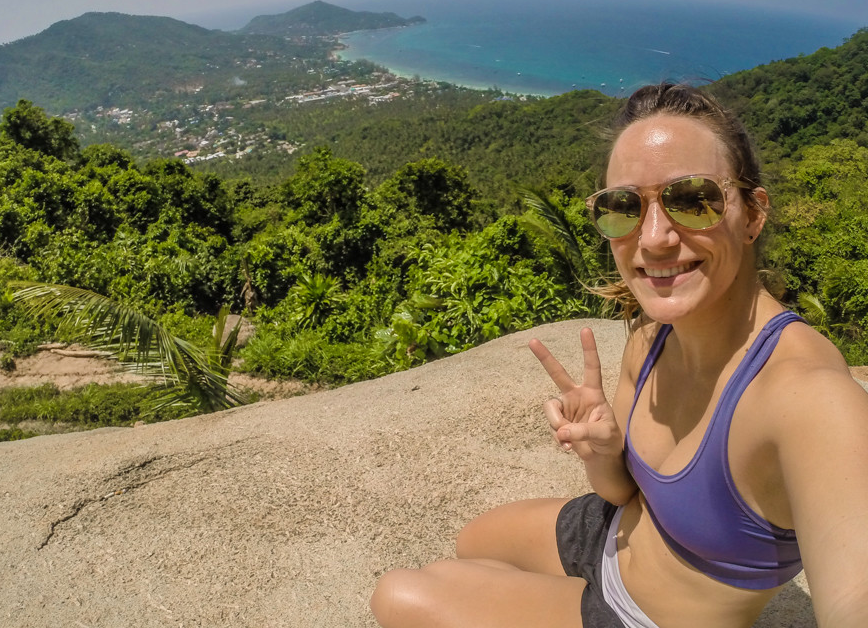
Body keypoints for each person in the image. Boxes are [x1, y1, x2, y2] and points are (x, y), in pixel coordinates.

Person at [369, 83, 868, 628]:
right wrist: (604, 452)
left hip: (642, 614)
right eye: (622, 207)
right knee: (471, 542)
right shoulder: (651, 341)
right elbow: (621, 491)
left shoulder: (810, 398)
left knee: (399, 597)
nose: (652, 238)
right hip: (617, 531)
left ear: (752, 214)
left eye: (692, 199)